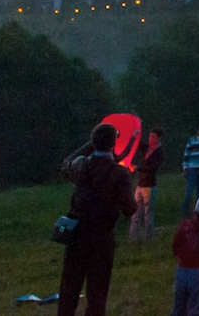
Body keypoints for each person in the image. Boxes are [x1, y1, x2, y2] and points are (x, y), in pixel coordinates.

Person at [58, 124, 138, 316]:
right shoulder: (119, 173)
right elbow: (130, 209)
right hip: (101, 238)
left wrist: (90, 144)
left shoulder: (79, 165)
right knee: (97, 293)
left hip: (76, 235)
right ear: (113, 144)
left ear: (93, 143)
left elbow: (66, 162)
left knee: (69, 290)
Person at [131, 129, 166, 242]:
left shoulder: (158, 151)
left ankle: (148, 238)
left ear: (159, 138)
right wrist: (135, 136)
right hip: (140, 184)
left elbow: (153, 168)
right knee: (136, 212)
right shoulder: (148, 148)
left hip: (149, 185)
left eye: (153, 137)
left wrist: (138, 168)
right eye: (150, 137)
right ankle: (133, 238)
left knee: (148, 213)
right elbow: (138, 145)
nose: (150, 139)